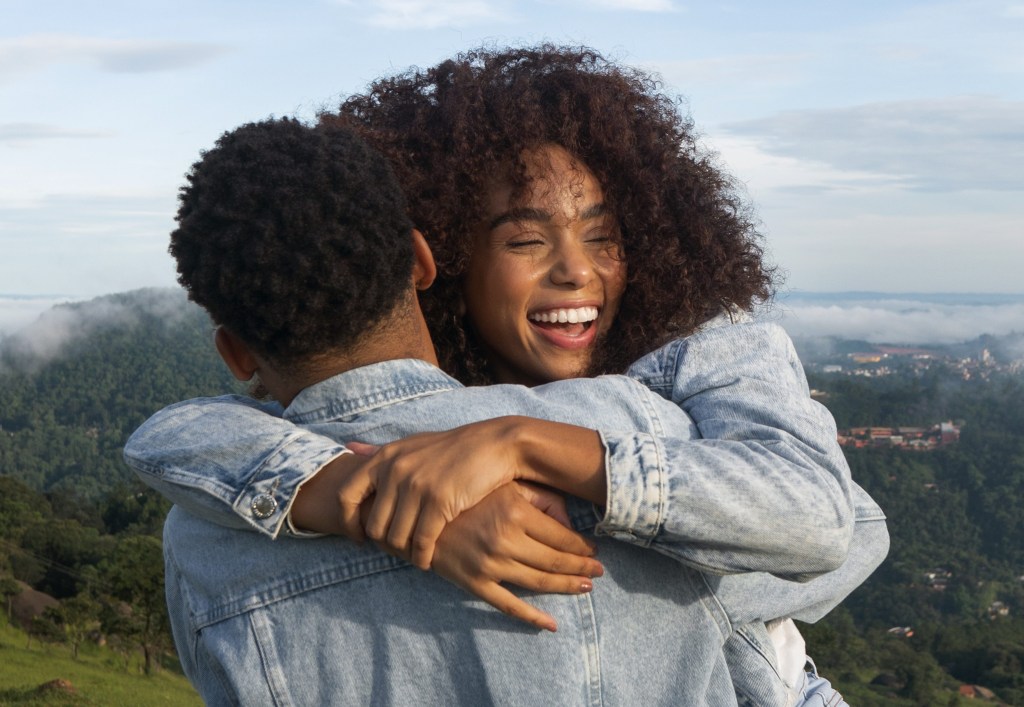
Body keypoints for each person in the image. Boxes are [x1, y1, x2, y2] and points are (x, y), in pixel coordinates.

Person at [142, 115, 886, 705]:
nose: (575, 268)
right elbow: (844, 532)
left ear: (236, 354)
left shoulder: (203, 540)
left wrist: (355, 491)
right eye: (527, 238)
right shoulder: (637, 424)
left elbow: (169, 434)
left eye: (602, 235)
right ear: (425, 259)